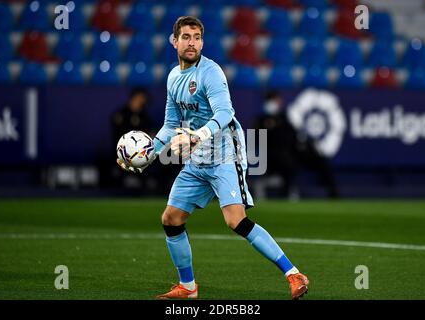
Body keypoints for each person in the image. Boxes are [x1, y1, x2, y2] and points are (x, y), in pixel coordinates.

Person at [116, 16, 309, 300]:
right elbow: (171, 124)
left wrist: (196, 136)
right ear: (174, 41)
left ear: (202, 42)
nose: (191, 42)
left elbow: (224, 114)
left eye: (196, 37)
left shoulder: (211, 73)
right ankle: (188, 287)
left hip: (225, 154)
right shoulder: (173, 77)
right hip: (197, 159)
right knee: (171, 219)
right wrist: (150, 153)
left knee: (236, 221)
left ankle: (294, 274)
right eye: (186, 37)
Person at [255, 91, 339, 199]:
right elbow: (258, 141)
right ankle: (285, 193)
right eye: (275, 101)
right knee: (287, 164)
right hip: (274, 157)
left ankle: (334, 194)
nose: (278, 103)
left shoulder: (284, 117)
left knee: (320, 161)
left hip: (293, 153)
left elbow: (294, 136)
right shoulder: (260, 120)